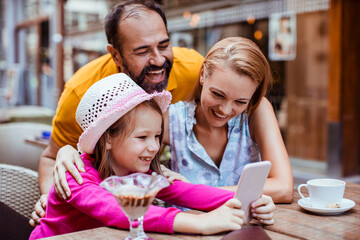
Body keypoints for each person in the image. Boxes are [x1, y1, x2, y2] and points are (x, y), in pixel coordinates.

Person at [30, 0, 283, 226]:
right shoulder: (79, 93)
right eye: (142, 51)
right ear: (115, 55)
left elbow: (188, 193)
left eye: (164, 45)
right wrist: (51, 193)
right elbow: (55, 159)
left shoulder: (193, 69)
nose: (159, 60)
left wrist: (253, 200)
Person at [29, 73, 275, 239]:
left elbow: (190, 193)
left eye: (157, 137)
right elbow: (115, 210)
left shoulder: (140, 175)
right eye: (142, 137)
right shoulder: (77, 175)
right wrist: (201, 224)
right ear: (108, 139)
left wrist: (251, 201)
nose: (154, 147)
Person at [52, 37, 293, 204]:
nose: (226, 109)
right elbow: (114, 143)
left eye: (240, 101)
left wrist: (199, 193)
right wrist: (68, 152)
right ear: (202, 75)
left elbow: (283, 188)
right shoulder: (172, 118)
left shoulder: (257, 110)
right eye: (217, 94)